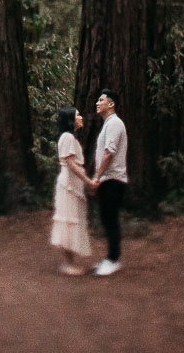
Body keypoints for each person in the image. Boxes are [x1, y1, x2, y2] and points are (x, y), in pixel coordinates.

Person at [49, 106, 94, 275]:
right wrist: (88, 180)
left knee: (72, 219)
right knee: (68, 220)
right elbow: (71, 163)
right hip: (68, 184)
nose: (81, 117)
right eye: (78, 115)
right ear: (70, 120)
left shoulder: (69, 138)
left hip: (72, 184)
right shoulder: (67, 137)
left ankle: (70, 262)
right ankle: (68, 264)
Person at [88, 88, 128, 276]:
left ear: (111, 104)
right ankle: (111, 257)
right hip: (108, 179)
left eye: (101, 100)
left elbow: (109, 152)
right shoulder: (109, 124)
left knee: (110, 219)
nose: (97, 102)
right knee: (107, 218)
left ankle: (113, 260)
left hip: (113, 180)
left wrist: (96, 177)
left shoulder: (114, 123)